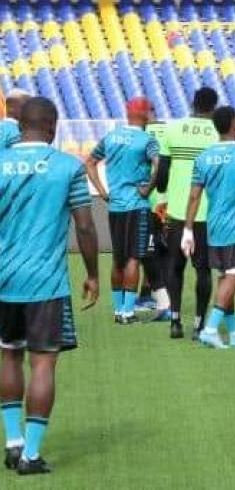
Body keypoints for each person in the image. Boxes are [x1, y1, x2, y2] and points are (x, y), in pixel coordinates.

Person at [0, 97, 99, 475]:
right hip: (46, 283)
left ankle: (12, 443)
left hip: (5, 278)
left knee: (8, 355)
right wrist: (92, 273)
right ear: (54, 126)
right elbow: (86, 226)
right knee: (42, 364)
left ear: (19, 124)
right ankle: (31, 455)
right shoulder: (67, 167)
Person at [182, 107, 235, 349]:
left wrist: (187, 229)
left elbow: (194, 197)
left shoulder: (203, 157)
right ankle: (210, 328)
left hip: (214, 227)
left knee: (225, 277)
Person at [85, 98, 159, 324]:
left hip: (115, 206)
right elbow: (159, 164)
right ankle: (128, 312)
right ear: (145, 114)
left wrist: (103, 192)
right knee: (134, 258)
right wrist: (149, 187)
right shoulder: (147, 140)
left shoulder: (111, 137)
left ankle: (118, 310)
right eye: (151, 111)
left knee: (118, 258)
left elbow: (89, 162)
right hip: (137, 205)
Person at [156, 87, 219, 340]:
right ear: (214, 107)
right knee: (203, 269)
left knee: (174, 266)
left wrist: (163, 193)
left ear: (193, 104)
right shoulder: (218, 133)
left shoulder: (172, 128)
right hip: (206, 212)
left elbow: (162, 173)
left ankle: (175, 320)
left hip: (177, 211)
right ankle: (200, 324)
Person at [140, 119, 171, 320]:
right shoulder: (167, 135)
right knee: (159, 250)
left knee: (150, 251)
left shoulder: (144, 138)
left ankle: (159, 299)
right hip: (167, 202)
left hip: (153, 204)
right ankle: (151, 295)